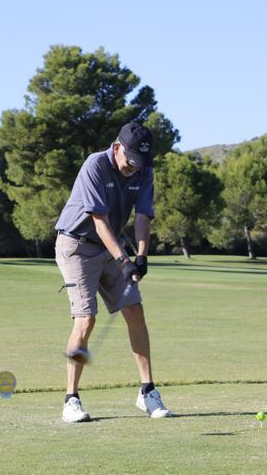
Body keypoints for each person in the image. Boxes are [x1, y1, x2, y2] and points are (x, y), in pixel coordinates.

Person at [54, 121, 172, 423]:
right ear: (117, 148)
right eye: (131, 160)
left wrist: (142, 255)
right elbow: (99, 220)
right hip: (77, 245)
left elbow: (143, 215)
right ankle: (71, 400)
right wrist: (124, 260)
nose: (135, 167)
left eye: (140, 162)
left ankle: (147, 391)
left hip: (111, 246)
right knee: (86, 319)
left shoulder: (143, 170)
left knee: (135, 311)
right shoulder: (95, 165)